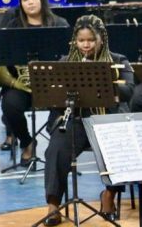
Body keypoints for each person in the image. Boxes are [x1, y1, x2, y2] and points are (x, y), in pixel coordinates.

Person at [41, 14, 133, 226]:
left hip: (106, 122)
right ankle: (53, 204)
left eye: (90, 40)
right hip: (76, 120)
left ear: (102, 39)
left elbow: (129, 91)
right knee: (56, 148)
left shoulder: (118, 61)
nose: (85, 45)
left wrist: (106, 81)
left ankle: (108, 196)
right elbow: (51, 98)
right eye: (81, 40)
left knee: (119, 148)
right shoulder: (65, 63)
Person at [0, 0, 68, 163]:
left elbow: (70, 56)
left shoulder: (59, 24)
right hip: (22, 86)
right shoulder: (13, 26)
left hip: (53, 84)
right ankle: (27, 142)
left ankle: (56, 149)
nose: (30, 2)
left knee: (67, 105)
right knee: (9, 105)